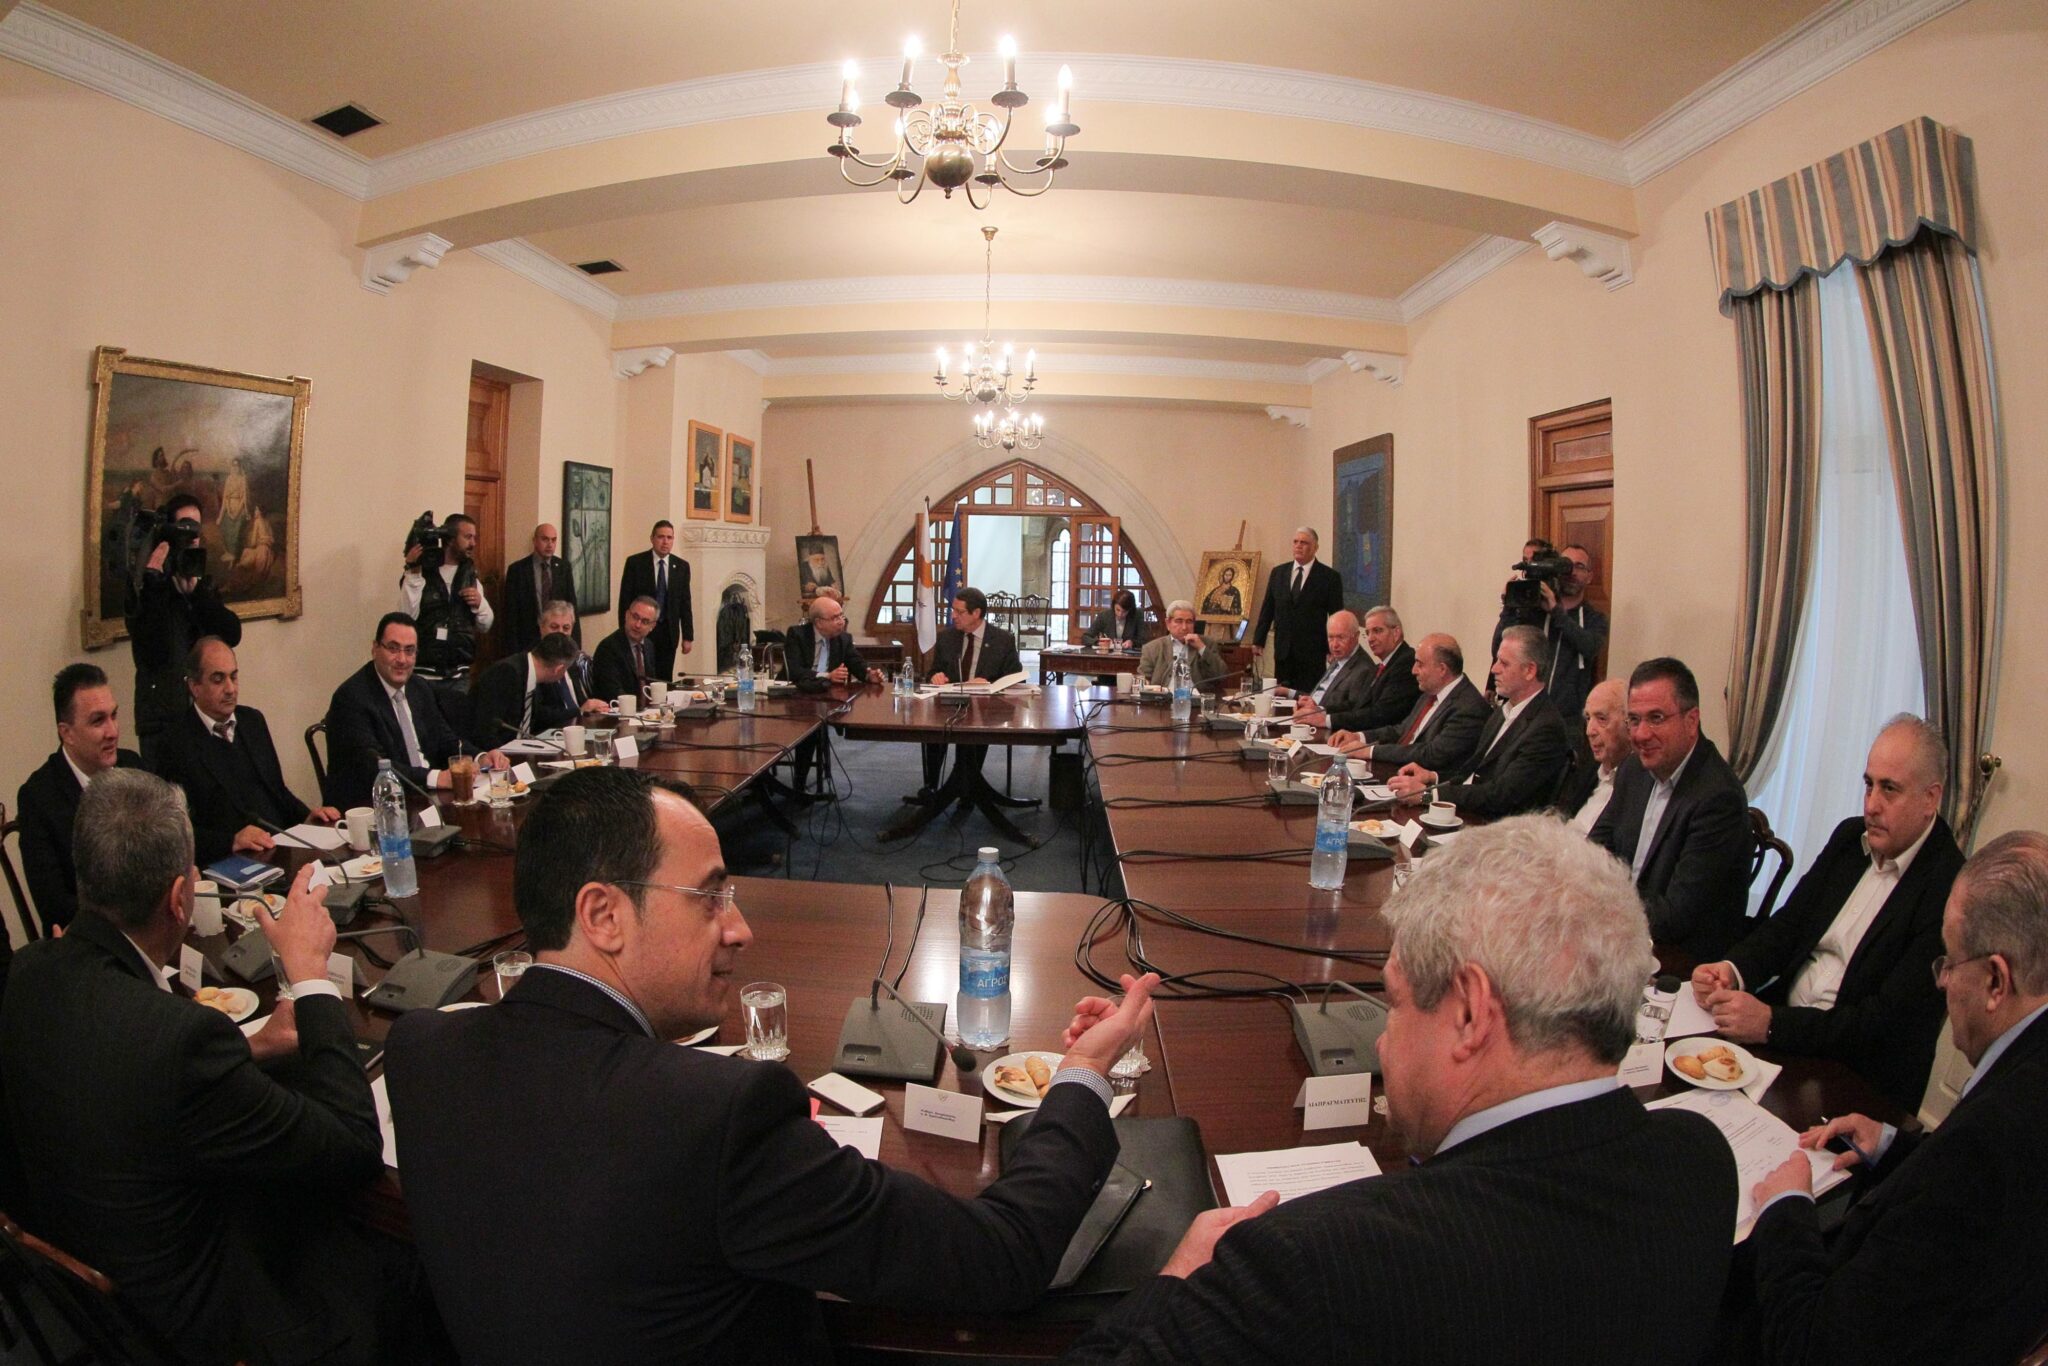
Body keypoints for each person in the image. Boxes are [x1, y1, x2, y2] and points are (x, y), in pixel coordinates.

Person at [384, 767, 1157, 1361]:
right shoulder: (717, 1116)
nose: (740, 929)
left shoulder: (420, 1053)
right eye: (710, 898)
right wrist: (1082, 1074)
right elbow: (999, 1257)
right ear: (603, 915)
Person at [1066, 815, 1736, 1364]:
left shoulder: (1315, 1263)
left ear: (1469, 1014)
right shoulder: (1701, 1159)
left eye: (1394, 1002)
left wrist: (1179, 1276)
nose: (1383, 1044)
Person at [0, 770, 391, 1365]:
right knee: (398, 1262)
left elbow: (120, 1067)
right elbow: (353, 1146)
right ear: (180, 899)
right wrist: (311, 975)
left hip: (96, 1264)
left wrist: (250, 1048)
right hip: (204, 1320)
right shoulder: (179, 1041)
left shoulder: (29, 972)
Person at [1741, 831, 2048, 1365]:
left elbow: (1816, 1347)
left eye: (1950, 962)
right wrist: (1892, 1145)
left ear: (1996, 981)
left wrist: (1786, 1207)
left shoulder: (1988, 1142)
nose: (1942, 982)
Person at [1688, 717, 1963, 1110]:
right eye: (1868, 784)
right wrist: (1733, 969)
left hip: (1854, 1077)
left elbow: (1883, 1024)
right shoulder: (1850, 839)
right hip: (1784, 1036)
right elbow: (1789, 925)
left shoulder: (1949, 887)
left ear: (1930, 798)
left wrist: (1771, 1024)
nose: (1872, 805)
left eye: (1889, 789)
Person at [1589, 657, 1752, 959]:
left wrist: (1597, 907)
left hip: (1681, 960)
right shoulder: (1633, 770)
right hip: (1624, 933)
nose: (1641, 734)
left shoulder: (1718, 798)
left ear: (1692, 720)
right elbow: (1594, 852)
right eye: (1634, 720)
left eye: (1656, 718)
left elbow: (1676, 916)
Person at [148, 637, 340, 864]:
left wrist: (307, 815)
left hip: (279, 846)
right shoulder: (175, 743)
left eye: (234, 677)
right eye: (218, 679)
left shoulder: (252, 721)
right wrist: (231, 841)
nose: (230, 689)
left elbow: (277, 792)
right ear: (194, 686)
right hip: (230, 860)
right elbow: (176, 831)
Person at [1386, 626, 1570, 819]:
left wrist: (1428, 795)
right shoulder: (1503, 711)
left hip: (1497, 825)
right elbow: (1474, 772)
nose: (1494, 669)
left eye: (1504, 663)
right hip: (1471, 811)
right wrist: (1433, 777)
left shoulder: (1546, 728)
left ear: (1530, 670)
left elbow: (1500, 795)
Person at [323, 613, 499, 810]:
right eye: (393, 648)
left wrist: (480, 757)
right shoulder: (352, 698)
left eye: (409, 650)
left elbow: (444, 738)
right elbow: (375, 767)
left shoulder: (418, 687)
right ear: (375, 649)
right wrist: (436, 777)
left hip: (425, 798)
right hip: (376, 806)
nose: (402, 659)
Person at [15, 663, 142, 932]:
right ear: (67, 733)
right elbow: (54, 907)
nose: (113, 731)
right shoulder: (38, 798)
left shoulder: (134, 767)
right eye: (98, 721)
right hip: (90, 938)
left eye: (114, 715)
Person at [125, 493, 241, 763]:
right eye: (184, 527)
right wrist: (155, 584)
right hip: (162, 723)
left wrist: (197, 594)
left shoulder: (201, 583)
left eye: (196, 529)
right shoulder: (146, 585)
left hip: (205, 717)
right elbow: (152, 650)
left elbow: (231, 634)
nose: (192, 536)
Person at [1331, 633, 1489, 774]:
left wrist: (1370, 751)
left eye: (1420, 664)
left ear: (1442, 669)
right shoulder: (1430, 693)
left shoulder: (1468, 708)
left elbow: (1431, 754)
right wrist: (1359, 737)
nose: (1413, 670)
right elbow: (1401, 731)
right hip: (1395, 770)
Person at [921, 588, 1024, 793]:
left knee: (976, 731)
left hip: (985, 706)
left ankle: (969, 788)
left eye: (959, 612)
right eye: (953, 610)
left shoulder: (1002, 640)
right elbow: (933, 671)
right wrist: (935, 676)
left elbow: (1015, 676)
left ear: (976, 613)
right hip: (950, 703)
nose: (953, 616)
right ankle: (932, 786)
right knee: (933, 729)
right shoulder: (947, 637)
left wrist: (988, 683)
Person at [783, 595, 882, 793]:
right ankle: (799, 787)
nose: (841, 621)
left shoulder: (843, 639)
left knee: (820, 723)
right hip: (796, 695)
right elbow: (794, 671)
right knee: (809, 729)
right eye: (835, 617)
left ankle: (805, 785)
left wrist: (868, 674)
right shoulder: (797, 634)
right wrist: (827, 675)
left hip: (826, 697)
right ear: (819, 622)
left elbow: (856, 663)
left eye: (842, 616)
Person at [400, 512, 492, 683]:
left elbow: (486, 625)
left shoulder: (469, 576)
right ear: (450, 539)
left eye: (474, 538)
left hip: (459, 675)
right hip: (423, 675)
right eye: (468, 537)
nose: (473, 543)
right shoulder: (420, 574)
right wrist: (413, 571)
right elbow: (406, 617)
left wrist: (480, 604)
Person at [1251, 527, 1345, 692]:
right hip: (1283, 650)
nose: (1298, 546)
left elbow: (1336, 617)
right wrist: (1259, 639)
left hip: (1312, 652)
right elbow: (1268, 608)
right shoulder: (1279, 573)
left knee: (1307, 696)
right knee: (1281, 696)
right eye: (1296, 542)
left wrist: (1333, 647)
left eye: (1304, 543)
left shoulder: (1329, 577)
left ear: (1315, 547)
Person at [470, 632, 603, 747]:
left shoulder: (532, 672)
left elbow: (541, 715)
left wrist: (579, 711)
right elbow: (486, 728)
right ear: (559, 669)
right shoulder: (507, 673)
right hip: (498, 754)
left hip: (523, 748)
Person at [1319, 605, 1419, 734]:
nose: (1370, 638)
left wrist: (1327, 720)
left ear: (1396, 632)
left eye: (1377, 631)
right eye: (1368, 633)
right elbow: (1356, 704)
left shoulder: (1405, 663)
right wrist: (1320, 711)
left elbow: (1381, 714)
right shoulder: (1382, 665)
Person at [617, 520, 693, 680]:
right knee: (642, 676)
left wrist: (688, 636)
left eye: (669, 538)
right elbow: (625, 600)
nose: (665, 542)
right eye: (661, 537)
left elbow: (685, 603)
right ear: (652, 538)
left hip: (668, 633)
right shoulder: (635, 563)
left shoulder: (681, 567)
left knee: (664, 680)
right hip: (642, 630)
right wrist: (624, 631)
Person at [1558, 677, 1632, 833]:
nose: (1589, 731)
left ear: (1629, 723)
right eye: (1588, 718)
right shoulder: (1587, 768)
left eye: (1602, 719)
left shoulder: (1638, 783)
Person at [503, 523, 579, 653]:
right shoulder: (518, 570)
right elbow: (511, 614)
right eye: (545, 539)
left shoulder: (563, 567)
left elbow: (572, 605)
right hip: (527, 641)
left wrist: (576, 646)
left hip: (558, 640)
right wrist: (513, 650)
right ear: (535, 541)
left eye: (553, 540)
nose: (550, 544)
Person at [1290, 611, 1373, 727]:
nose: (1334, 645)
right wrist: (1294, 696)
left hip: (1327, 727)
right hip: (1306, 717)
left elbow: (1352, 709)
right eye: (1331, 637)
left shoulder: (1364, 669)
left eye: (1341, 637)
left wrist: (1317, 709)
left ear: (1356, 636)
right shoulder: (1340, 657)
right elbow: (1323, 694)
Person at [1137, 600, 1225, 687]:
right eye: (1179, 621)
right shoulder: (1152, 648)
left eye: (1189, 621)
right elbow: (1142, 679)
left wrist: (1201, 648)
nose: (1184, 627)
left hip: (1197, 695)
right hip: (1163, 695)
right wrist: (1145, 684)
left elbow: (1221, 675)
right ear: (1168, 623)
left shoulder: (1207, 644)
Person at [591, 597, 663, 704]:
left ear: (652, 626)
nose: (637, 625)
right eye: (635, 617)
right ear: (627, 615)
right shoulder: (608, 648)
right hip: (617, 710)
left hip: (646, 710)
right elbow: (613, 692)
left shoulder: (648, 645)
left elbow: (651, 683)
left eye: (645, 621)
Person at [540, 598, 599, 712]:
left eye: (566, 628)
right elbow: (543, 715)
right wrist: (580, 711)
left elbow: (580, 702)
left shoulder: (572, 659)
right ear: (542, 627)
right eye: (554, 627)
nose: (560, 632)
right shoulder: (537, 663)